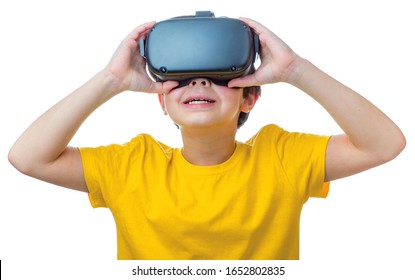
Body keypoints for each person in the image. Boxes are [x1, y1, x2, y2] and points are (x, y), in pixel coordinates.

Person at [8, 17, 406, 260]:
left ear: (250, 96)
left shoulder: (281, 157)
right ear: (162, 102)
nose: (199, 82)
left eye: (219, 76)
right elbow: (27, 158)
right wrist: (110, 80)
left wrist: (295, 70)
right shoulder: (132, 164)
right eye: (180, 78)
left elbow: (384, 144)